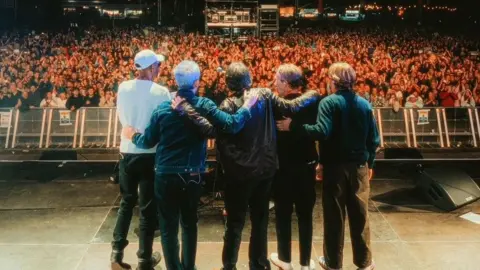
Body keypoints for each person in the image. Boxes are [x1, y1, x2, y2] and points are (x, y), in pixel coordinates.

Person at [172, 62, 320, 270]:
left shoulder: (227, 106)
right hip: (265, 171)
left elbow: (211, 131)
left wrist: (185, 110)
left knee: (234, 223)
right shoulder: (264, 96)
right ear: (249, 79)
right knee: (260, 221)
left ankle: (229, 265)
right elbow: (291, 106)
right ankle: (259, 264)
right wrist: (313, 93)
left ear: (228, 84)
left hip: (238, 175)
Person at [122, 60, 258, 270]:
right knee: (189, 225)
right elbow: (228, 126)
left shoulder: (163, 109)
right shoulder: (205, 105)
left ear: (175, 81)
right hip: (193, 173)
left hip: (165, 174)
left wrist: (133, 135)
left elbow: (148, 141)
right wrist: (248, 105)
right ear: (197, 82)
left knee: (168, 229)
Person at [277, 62, 380, 270]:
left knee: (335, 217)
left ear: (334, 81)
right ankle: (364, 262)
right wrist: (370, 163)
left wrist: (293, 126)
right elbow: (374, 139)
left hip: (335, 168)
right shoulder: (364, 104)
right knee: (360, 217)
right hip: (359, 167)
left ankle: (333, 263)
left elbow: (322, 132)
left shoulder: (329, 103)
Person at [112, 49, 171, 270]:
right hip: (150, 154)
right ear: (149, 68)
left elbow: (122, 117)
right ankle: (145, 258)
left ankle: (116, 253)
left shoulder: (123, 87)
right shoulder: (161, 92)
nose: (159, 69)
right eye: (157, 66)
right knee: (147, 207)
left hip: (127, 151)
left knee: (127, 202)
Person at [269, 64, 320, 270]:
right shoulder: (313, 102)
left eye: (277, 80)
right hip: (306, 167)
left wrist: (293, 126)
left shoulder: (275, 104)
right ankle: (305, 264)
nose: (274, 83)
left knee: (283, 215)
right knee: (305, 216)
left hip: (282, 170)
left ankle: (285, 260)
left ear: (286, 83)